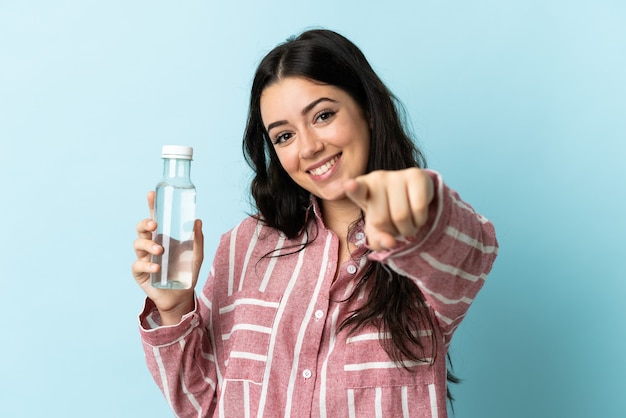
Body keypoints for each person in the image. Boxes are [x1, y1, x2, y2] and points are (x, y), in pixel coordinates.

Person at [132, 29, 498, 418]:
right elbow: (204, 405)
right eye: (285, 135)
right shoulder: (243, 246)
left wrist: (415, 203)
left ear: (368, 111)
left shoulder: (427, 246)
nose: (308, 148)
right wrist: (173, 308)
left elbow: (471, 249)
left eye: (323, 115)